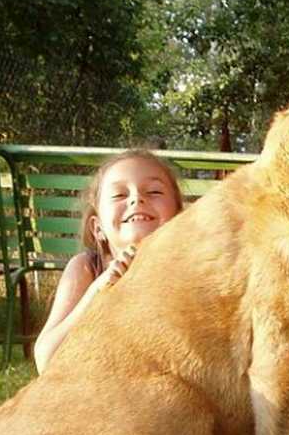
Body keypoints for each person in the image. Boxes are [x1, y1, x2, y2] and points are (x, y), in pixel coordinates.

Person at [33, 149, 183, 373]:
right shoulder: (86, 269)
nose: (136, 198)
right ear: (98, 228)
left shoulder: (189, 272)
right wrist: (96, 293)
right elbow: (46, 360)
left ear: (180, 217)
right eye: (119, 195)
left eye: (154, 191)